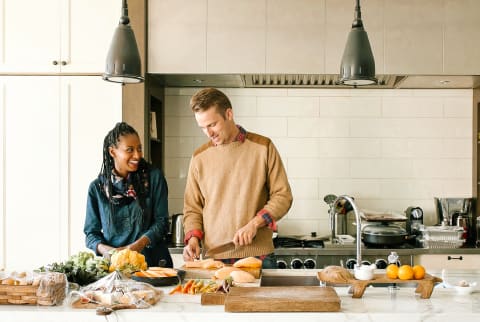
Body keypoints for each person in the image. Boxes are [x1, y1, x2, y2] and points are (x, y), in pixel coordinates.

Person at [182, 88, 293, 268]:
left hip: (259, 257)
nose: (208, 133)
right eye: (202, 128)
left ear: (229, 114)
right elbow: (193, 208)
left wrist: (255, 224)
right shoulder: (199, 157)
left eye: (212, 125)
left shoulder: (263, 147)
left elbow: (283, 196)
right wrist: (193, 239)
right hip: (214, 259)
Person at [84, 122, 173, 268]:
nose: (137, 155)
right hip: (116, 269)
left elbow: (162, 222)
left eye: (139, 148)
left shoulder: (153, 178)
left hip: (153, 266)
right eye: (130, 150)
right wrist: (106, 250)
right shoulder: (97, 189)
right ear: (112, 152)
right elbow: (91, 234)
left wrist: (135, 247)